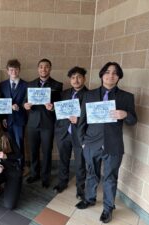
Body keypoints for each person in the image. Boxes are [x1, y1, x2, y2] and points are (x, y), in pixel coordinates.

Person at [75, 62, 137, 223]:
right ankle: (89, 199)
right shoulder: (89, 95)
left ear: (119, 77)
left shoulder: (126, 97)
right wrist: (82, 142)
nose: (111, 75)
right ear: (102, 75)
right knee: (91, 174)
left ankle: (108, 208)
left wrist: (125, 114)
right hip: (91, 143)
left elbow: (133, 120)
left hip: (113, 145)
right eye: (108, 72)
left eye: (115, 73)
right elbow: (82, 121)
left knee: (110, 178)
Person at [24, 58, 63, 188]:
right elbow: (24, 102)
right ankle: (34, 174)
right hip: (32, 124)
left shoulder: (57, 85)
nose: (43, 69)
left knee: (47, 151)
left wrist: (52, 108)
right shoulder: (30, 84)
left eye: (46, 67)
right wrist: (26, 106)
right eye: (41, 67)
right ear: (38, 69)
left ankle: (46, 177)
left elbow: (60, 106)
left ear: (50, 69)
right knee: (33, 151)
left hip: (48, 123)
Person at [53, 66, 88, 199]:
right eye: (73, 77)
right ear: (70, 79)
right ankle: (62, 182)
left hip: (80, 134)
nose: (76, 80)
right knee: (63, 159)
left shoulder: (90, 95)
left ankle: (80, 188)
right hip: (63, 132)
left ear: (84, 78)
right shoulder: (64, 93)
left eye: (79, 77)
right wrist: (52, 109)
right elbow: (59, 111)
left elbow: (91, 116)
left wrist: (78, 120)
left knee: (80, 162)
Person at [0, 59, 27, 170]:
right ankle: (10, 165)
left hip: (19, 119)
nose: (13, 72)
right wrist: (3, 118)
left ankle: (20, 166)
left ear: (19, 70)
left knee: (19, 143)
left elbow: (27, 100)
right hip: (7, 120)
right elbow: (0, 102)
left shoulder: (26, 85)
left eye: (16, 69)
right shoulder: (3, 85)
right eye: (11, 70)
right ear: (7, 71)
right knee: (7, 143)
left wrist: (19, 107)